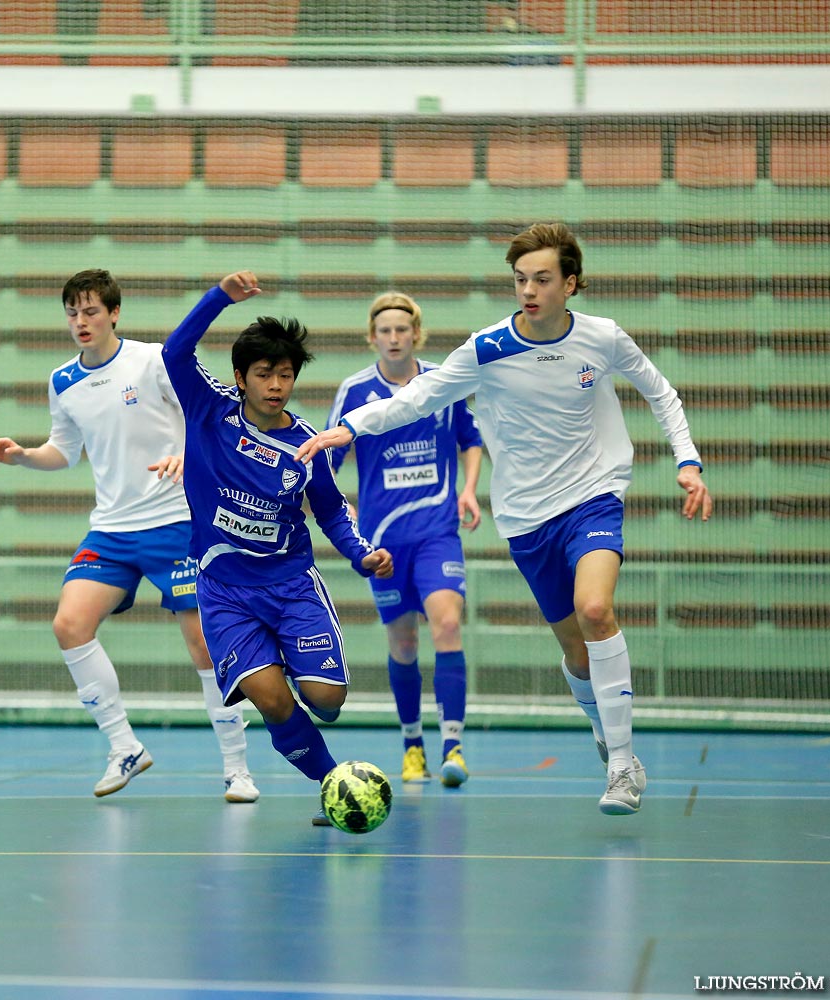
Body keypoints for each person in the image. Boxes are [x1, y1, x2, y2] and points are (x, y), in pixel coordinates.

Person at [297, 223, 712, 815]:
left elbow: (660, 392)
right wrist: (351, 426)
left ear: (570, 283)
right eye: (521, 279)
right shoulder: (486, 349)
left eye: (543, 278)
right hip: (525, 516)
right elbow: (420, 396)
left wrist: (688, 463)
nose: (529, 290)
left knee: (597, 610)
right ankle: (603, 721)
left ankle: (623, 763)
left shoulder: (602, 338)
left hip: (593, 495)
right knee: (575, 651)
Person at [0, 268, 259, 804]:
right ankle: (123, 746)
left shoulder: (153, 361)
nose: (80, 322)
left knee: (206, 645)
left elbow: (209, 418)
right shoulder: (63, 381)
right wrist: (22, 456)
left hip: (177, 522)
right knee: (69, 623)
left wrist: (186, 456)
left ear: (113, 313)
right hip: (111, 530)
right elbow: (63, 452)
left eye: (90, 312)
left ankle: (236, 769)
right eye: (72, 313)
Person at [160, 270, 394, 827]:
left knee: (328, 699)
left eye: (285, 374)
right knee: (271, 699)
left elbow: (333, 511)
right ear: (241, 376)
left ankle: (292, 659)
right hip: (224, 592)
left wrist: (362, 555)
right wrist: (221, 297)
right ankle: (333, 782)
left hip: (291, 586)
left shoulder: (306, 445)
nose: (276, 384)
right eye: (264, 373)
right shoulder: (210, 410)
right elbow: (175, 351)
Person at [326, 292, 483, 788]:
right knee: (403, 640)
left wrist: (470, 490)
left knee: (447, 625)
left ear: (416, 334)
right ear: (372, 337)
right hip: (384, 542)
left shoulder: (442, 382)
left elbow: (471, 440)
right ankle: (412, 743)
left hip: (438, 531)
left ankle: (453, 744)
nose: (394, 338)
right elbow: (328, 466)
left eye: (402, 329)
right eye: (385, 331)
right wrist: (345, 515)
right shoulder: (354, 392)